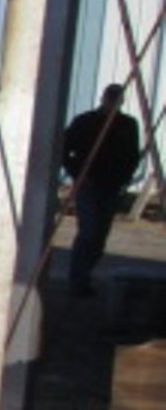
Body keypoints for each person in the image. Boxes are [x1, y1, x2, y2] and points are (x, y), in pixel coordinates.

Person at [61, 83, 142, 296]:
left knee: (99, 238)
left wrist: (125, 179)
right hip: (88, 184)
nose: (114, 104)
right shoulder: (85, 122)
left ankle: (84, 277)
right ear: (103, 99)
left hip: (111, 186)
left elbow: (133, 156)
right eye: (111, 99)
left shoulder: (127, 125)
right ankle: (77, 280)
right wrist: (77, 174)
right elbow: (64, 148)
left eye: (118, 100)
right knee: (89, 231)